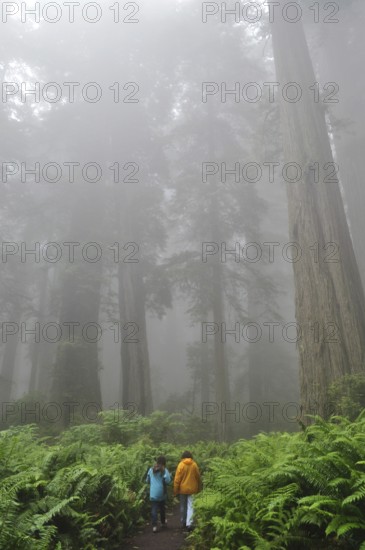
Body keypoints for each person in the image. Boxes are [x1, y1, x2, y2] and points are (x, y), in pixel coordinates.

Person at [173, 450, 202, 531]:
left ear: (183, 457)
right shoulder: (194, 465)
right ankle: (190, 523)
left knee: (183, 506)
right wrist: (199, 488)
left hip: (182, 489)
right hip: (193, 489)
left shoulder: (181, 465)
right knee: (190, 506)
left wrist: (175, 490)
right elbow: (198, 477)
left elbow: (177, 479)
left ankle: (183, 522)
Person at [146, 455, 171, 533]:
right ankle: (163, 523)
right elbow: (168, 481)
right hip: (161, 493)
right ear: (164, 463)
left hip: (153, 493)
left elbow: (147, 480)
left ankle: (154, 526)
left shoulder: (151, 470)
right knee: (162, 509)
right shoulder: (164, 470)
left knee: (154, 509)